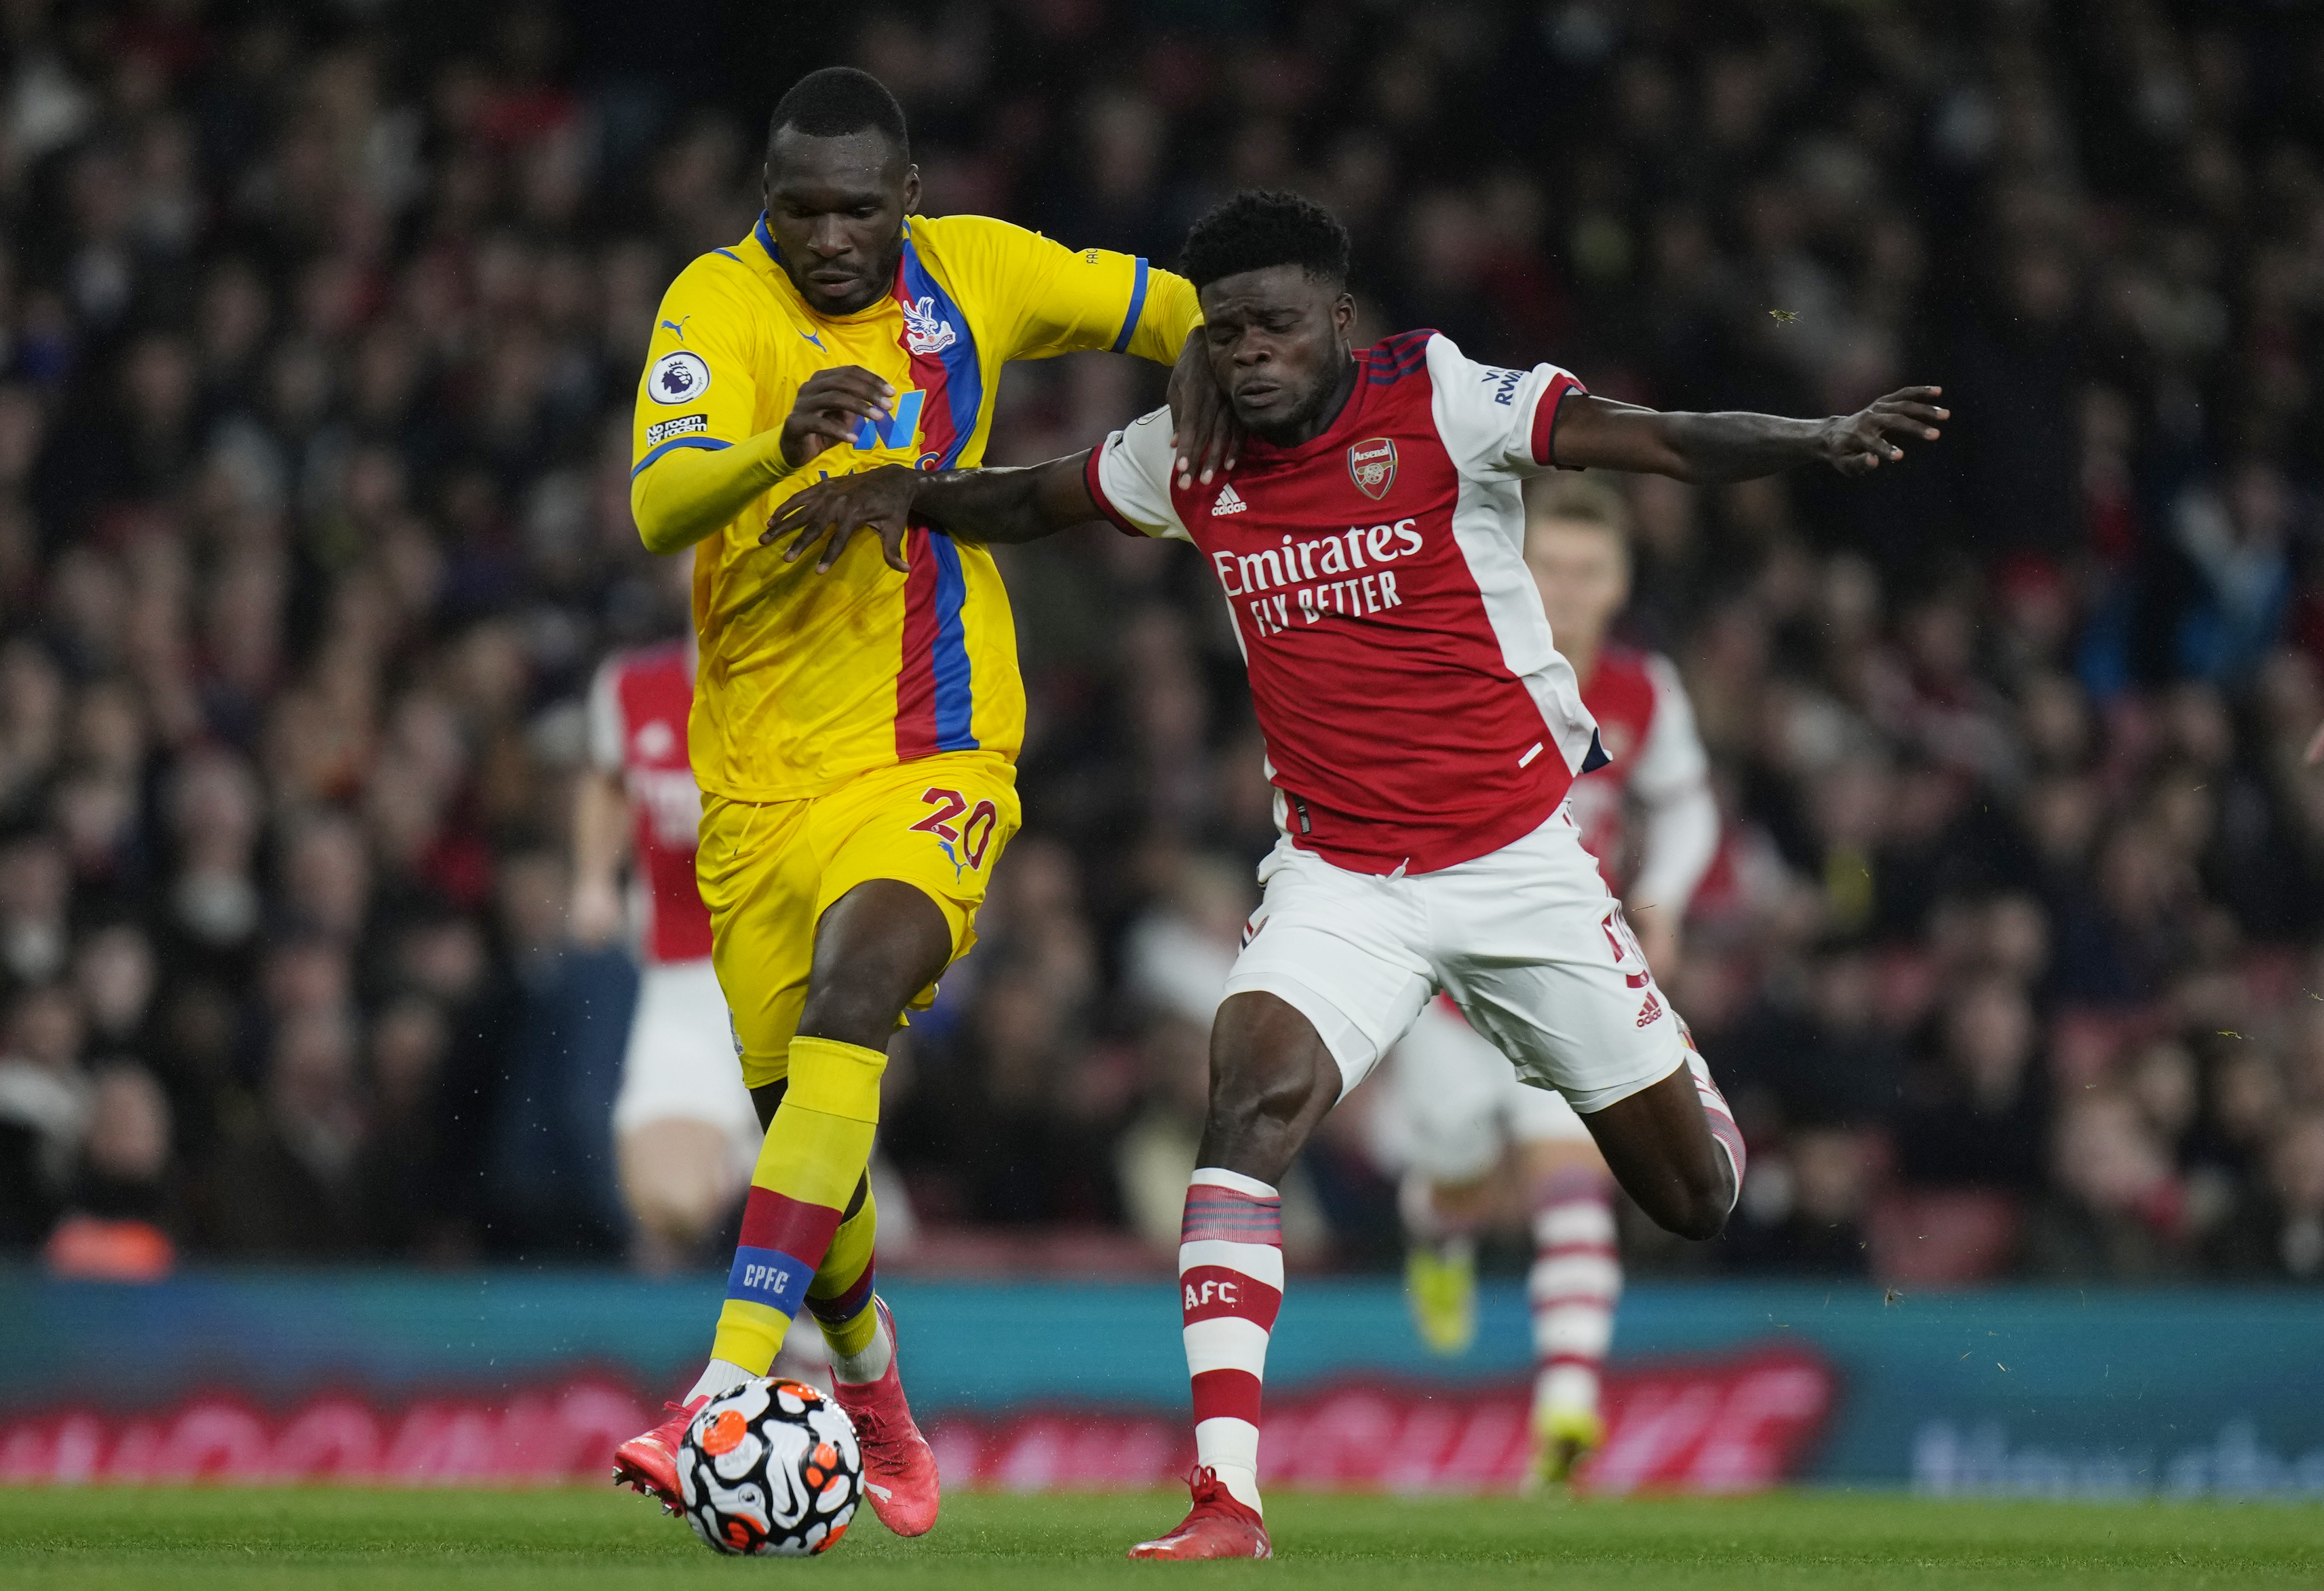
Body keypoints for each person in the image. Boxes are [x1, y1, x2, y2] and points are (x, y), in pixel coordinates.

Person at [767, 189, 1944, 1560]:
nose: (1248, 353)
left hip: (1518, 863)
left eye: (1274, 325)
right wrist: (893, 494)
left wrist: (1820, 436)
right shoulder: (1185, 456)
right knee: (1247, 1091)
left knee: (1693, 1199)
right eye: (1223, 333)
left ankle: (1663, 1064)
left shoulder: (1443, 396)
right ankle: (1226, 1495)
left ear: (1340, 318)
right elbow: (1033, 498)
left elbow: (1653, 439)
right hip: (1341, 873)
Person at [609, 66, 1233, 1536]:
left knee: (858, 991)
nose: (825, 236)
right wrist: (779, 445)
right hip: (757, 784)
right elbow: (653, 503)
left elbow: (1178, 304)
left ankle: (720, 1382)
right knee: (801, 1141)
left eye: (853, 208)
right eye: (797, 208)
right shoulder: (715, 301)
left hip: (935, 745)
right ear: (768, 201)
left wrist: (1214, 370)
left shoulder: (980, 273)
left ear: (907, 196)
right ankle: (870, 1373)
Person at [1387, 474, 1719, 1487]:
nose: (1568, 590)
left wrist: (1658, 901)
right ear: (1517, 569)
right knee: (1457, 1166)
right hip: (1445, 992)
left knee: (1570, 1172)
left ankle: (1565, 1414)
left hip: (1559, 980)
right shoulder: (1462, 666)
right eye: (1552, 568)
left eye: (1589, 571)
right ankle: (1436, 1235)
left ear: (1618, 582)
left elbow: (1688, 806)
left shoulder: (1642, 689)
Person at [572, 550, 761, 1269]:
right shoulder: (631, 687)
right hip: (680, 982)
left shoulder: (803, 695)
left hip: (784, 983)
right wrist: (593, 875)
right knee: (665, 1209)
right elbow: (605, 774)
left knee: (823, 1219)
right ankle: (743, 1151)